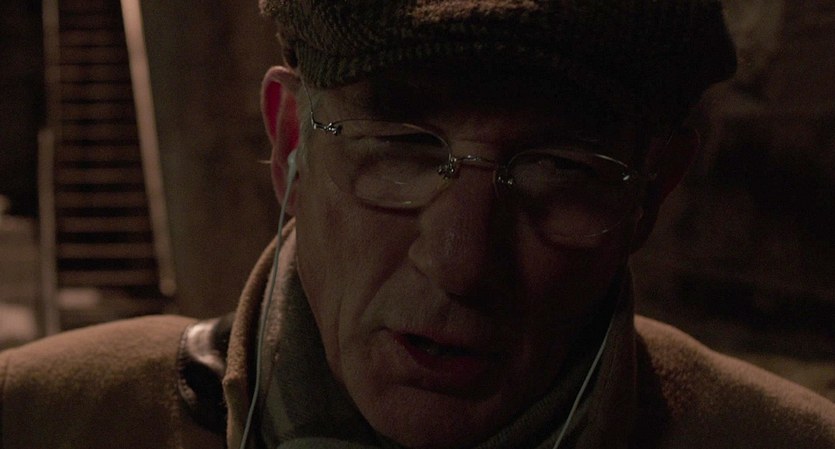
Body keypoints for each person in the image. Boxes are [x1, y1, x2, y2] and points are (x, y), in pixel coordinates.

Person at [1, 1, 834, 448]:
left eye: (561, 169)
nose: (462, 262)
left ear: (650, 193)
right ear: (290, 144)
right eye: (401, 147)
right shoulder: (42, 418)